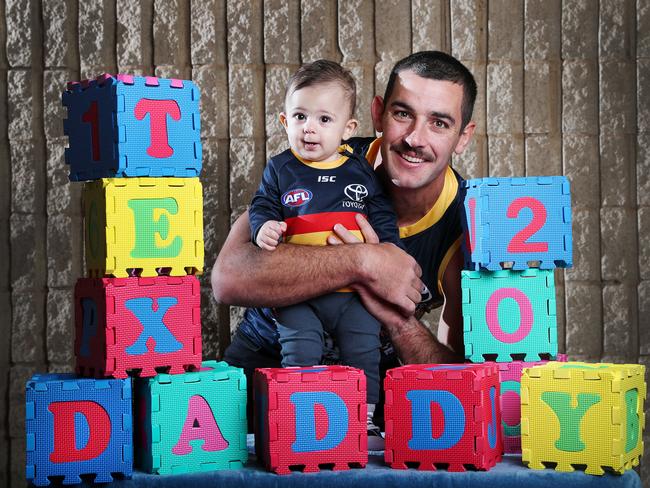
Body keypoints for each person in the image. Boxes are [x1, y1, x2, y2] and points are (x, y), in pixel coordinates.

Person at [212, 50, 477, 437]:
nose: (414, 139)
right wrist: (362, 262)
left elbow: (461, 377)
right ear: (377, 114)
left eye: (439, 123)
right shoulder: (324, 149)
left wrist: (397, 320)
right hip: (269, 363)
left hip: (363, 385)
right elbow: (229, 277)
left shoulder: (467, 223)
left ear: (463, 136)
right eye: (403, 114)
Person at [248, 60, 403, 448]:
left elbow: (381, 212)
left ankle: (363, 418)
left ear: (347, 129)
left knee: (363, 349)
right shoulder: (281, 169)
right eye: (299, 116)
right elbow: (262, 204)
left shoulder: (359, 171)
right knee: (300, 349)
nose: (309, 128)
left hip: (352, 294)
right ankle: (303, 413)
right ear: (284, 121)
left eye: (323, 119)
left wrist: (390, 251)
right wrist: (263, 227)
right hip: (297, 292)